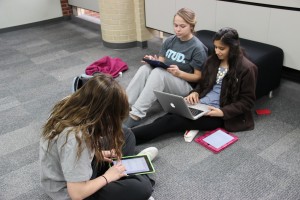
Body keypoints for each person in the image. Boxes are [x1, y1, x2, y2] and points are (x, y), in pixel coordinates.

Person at [40, 73, 158, 200]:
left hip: (75, 167)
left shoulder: (73, 104)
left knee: (126, 134)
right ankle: (134, 169)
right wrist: (107, 177)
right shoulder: (76, 138)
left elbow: (64, 154)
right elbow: (77, 194)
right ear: (102, 115)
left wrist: (97, 154)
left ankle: (128, 170)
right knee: (143, 187)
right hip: (71, 192)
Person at [131, 27, 258, 144]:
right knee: (169, 115)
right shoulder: (212, 61)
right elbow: (202, 84)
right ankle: (127, 138)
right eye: (215, 47)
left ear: (233, 48)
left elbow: (247, 101)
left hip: (217, 113)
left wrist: (222, 112)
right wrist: (195, 93)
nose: (217, 51)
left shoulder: (247, 68)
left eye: (222, 48)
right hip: (200, 104)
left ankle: (127, 138)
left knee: (170, 121)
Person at [125, 7, 208, 128]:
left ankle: (137, 114)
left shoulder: (198, 48)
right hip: (165, 79)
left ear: (191, 26)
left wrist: (179, 73)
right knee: (145, 69)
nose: (177, 29)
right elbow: (161, 63)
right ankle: (124, 106)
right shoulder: (169, 41)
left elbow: (198, 77)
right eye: (175, 25)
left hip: (185, 87)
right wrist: (152, 61)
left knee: (159, 73)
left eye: (182, 26)